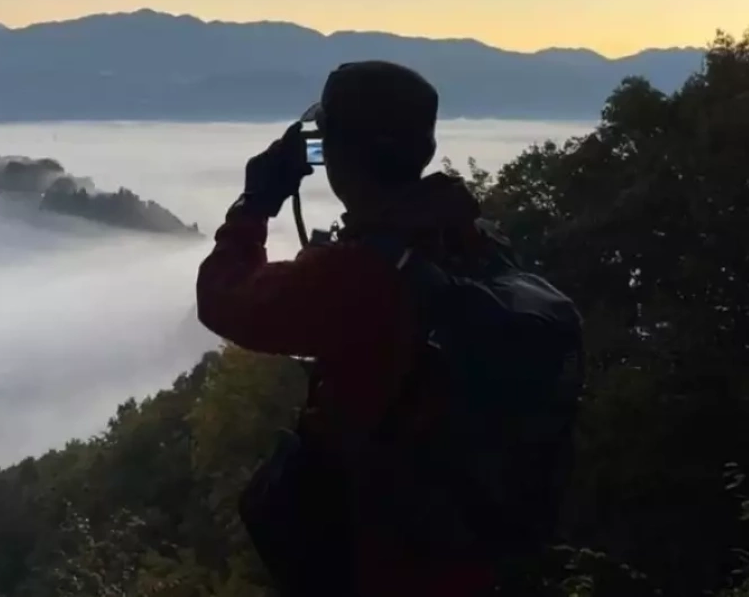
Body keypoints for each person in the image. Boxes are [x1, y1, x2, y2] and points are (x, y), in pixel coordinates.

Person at [196, 60, 582, 597]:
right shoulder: (473, 243)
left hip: (383, 562)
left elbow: (221, 298)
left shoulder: (360, 276)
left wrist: (256, 201)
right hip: (471, 555)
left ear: (336, 152)